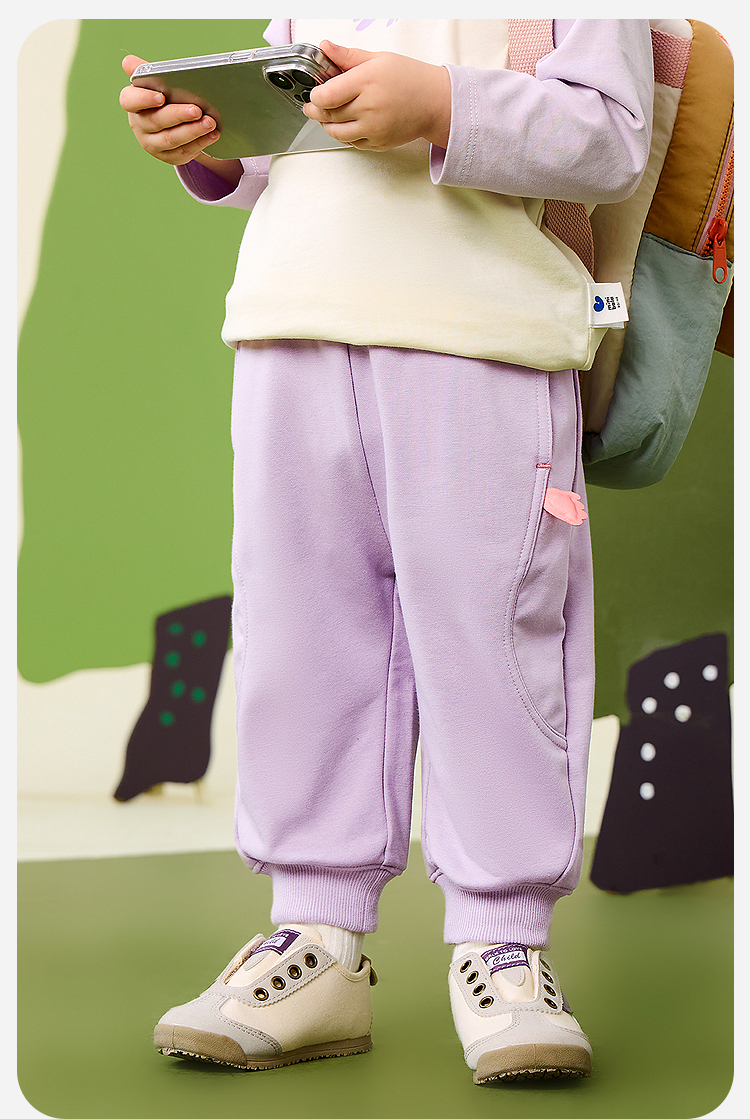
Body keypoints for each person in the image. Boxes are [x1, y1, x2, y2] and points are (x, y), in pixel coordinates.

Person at [119, 18, 653, 1084]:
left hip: (486, 336)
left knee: (493, 637)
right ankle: (314, 939)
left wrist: (445, 104)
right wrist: (212, 141)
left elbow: (610, 142)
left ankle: (503, 942)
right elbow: (283, 152)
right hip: (291, 323)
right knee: (299, 640)